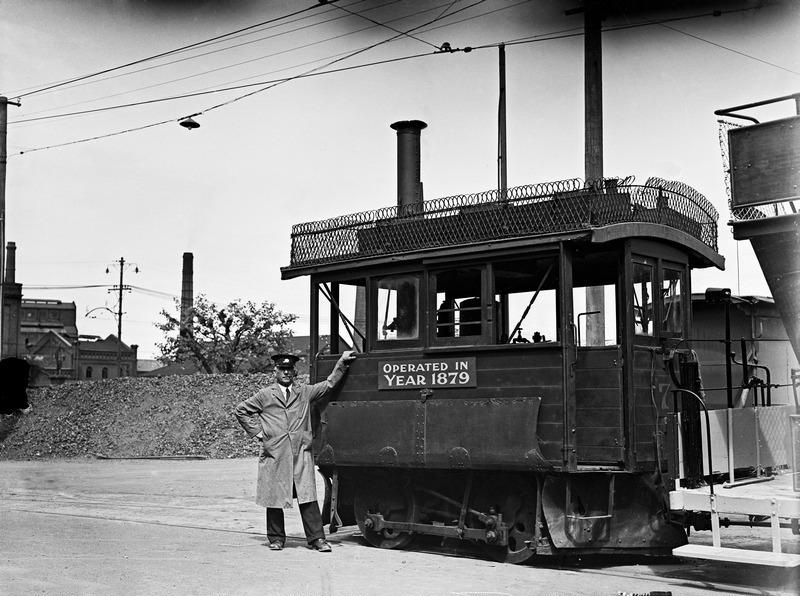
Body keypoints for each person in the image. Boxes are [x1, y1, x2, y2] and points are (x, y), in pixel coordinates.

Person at [233, 350, 356, 552]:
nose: (286, 373)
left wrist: (342, 362)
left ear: (294, 372)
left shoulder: (304, 392)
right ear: (275, 370)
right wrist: (258, 433)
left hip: (301, 453)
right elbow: (241, 410)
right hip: (275, 453)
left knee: (307, 496)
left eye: (289, 369)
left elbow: (329, 384)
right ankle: (276, 538)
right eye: (282, 369)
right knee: (274, 497)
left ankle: (317, 539)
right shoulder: (265, 395)